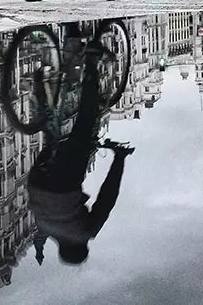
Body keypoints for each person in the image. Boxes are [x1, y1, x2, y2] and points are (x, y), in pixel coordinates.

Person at [27, 38, 132, 265]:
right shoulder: (47, 228)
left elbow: (107, 197)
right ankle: (38, 88)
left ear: (82, 247)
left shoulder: (84, 234)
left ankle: (92, 62)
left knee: (85, 123)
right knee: (50, 138)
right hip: (36, 181)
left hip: (63, 186)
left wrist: (119, 160)